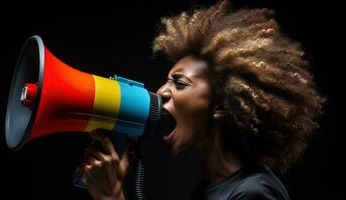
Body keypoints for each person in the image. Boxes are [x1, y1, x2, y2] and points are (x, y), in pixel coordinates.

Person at [76, 1, 324, 199]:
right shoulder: (209, 189)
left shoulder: (254, 193)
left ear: (219, 105)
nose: (161, 91)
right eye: (167, 81)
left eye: (180, 83)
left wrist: (111, 196)